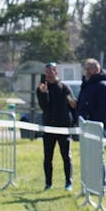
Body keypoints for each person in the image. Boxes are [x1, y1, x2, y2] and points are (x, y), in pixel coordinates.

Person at [36, 62, 75, 191]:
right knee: (48, 157)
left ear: (55, 72)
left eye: (51, 71)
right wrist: (44, 93)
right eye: (46, 72)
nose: (48, 74)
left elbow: (73, 105)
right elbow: (44, 107)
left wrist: (73, 105)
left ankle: (68, 182)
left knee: (65, 156)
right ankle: (48, 183)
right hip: (48, 127)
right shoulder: (41, 88)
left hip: (63, 126)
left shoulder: (64, 87)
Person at [76, 58, 106, 131]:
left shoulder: (103, 86)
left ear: (96, 69)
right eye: (85, 69)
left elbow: (104, 108)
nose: (86, 72)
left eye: (88, 69)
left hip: (96, 127)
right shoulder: (86, 84)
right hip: (85, 125)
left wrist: (93, 124)